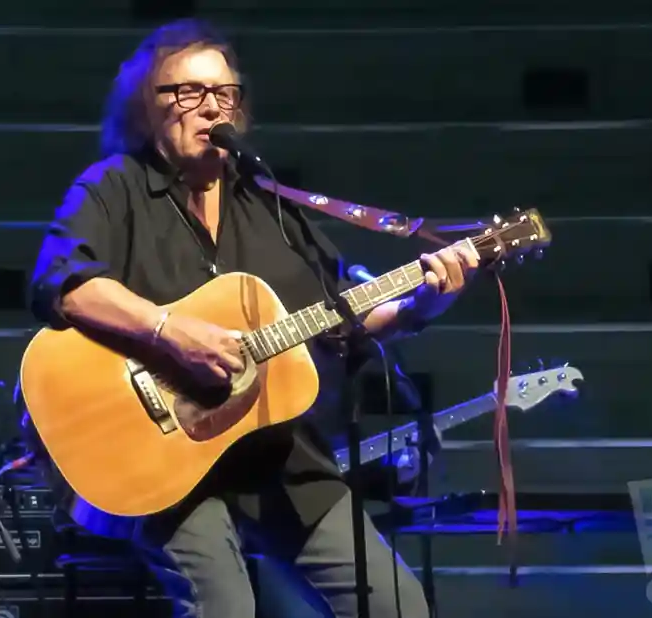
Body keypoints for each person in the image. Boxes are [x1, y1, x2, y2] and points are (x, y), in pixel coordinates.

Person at [27, 18, 478, 618]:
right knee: (226, 609)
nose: (210, 107)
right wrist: (168, 331)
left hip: (278, 455)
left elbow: (341, 316)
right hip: (165, 460)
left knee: (399, 608)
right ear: (146, 107)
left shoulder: (272, 208)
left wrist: (424, 304)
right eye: (187, 92)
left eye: (223, 93)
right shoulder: (113, 188)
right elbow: (64, 283)